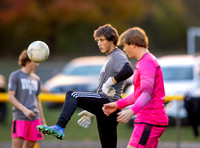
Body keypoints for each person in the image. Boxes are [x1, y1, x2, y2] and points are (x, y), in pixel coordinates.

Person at [37, 24, 133, 148]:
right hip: (108, 108)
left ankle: (59, 126)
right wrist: (92, 110)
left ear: (112, 40)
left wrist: (112, 81)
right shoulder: (111, 56)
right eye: (97, 40)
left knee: (73, 95)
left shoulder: (117, 55)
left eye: (102, 40)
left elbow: (128, 70)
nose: (99, 43)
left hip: (108, 102)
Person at [102, 27, 169, 148]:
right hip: (149, 120)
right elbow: (139, 94)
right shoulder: (143, 62)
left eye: (125, 45)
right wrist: (118, 105)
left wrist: (131, 111)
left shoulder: (147, 63)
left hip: (149, 121)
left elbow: (146, 94)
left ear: (133, 44)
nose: (124, 49)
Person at [8, 49, 46, 148]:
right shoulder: (15, 76)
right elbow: (10, 97)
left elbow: (37, 100)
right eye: (35, 60)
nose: (37, 64)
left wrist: (43, 120)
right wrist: (24, 110)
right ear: (28, 60)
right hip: (20, 118)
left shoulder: (36, 79)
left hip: (35, 119)